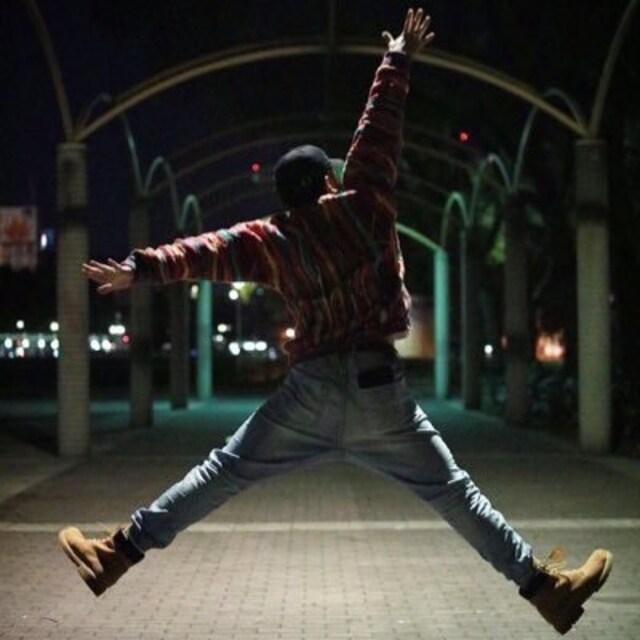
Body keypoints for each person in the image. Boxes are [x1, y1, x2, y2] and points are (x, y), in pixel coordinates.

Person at [59, 8, 611, 635]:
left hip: (310, 393)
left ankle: (117, 554)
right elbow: (378, 128)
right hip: (380, 390)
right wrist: (397, 57)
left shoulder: (272, 239)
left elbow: (205, 251)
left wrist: (139, 268)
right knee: (455, 493)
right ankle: (544, 590)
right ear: (329, 179)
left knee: (222, 473)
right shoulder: (365, 205)